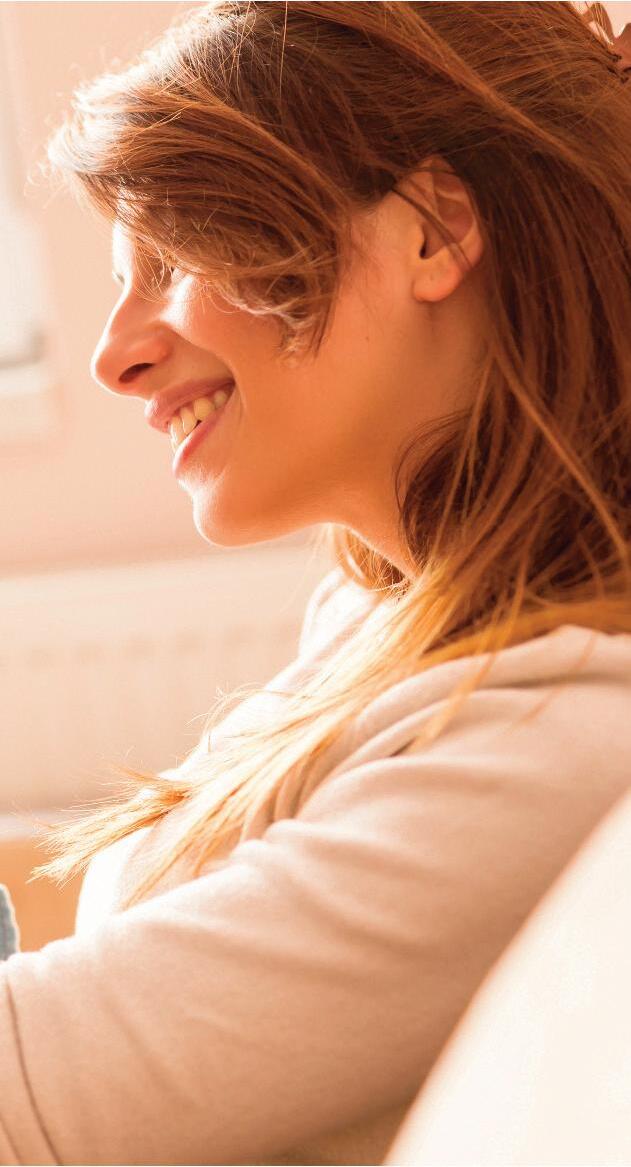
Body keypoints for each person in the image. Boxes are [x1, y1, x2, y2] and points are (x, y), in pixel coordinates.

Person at [1, 2, 630, 1163]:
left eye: (174, 258)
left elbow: (32, 1092)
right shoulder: (383, 604)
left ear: (431, 230)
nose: (114, 355)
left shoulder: (555, 735)